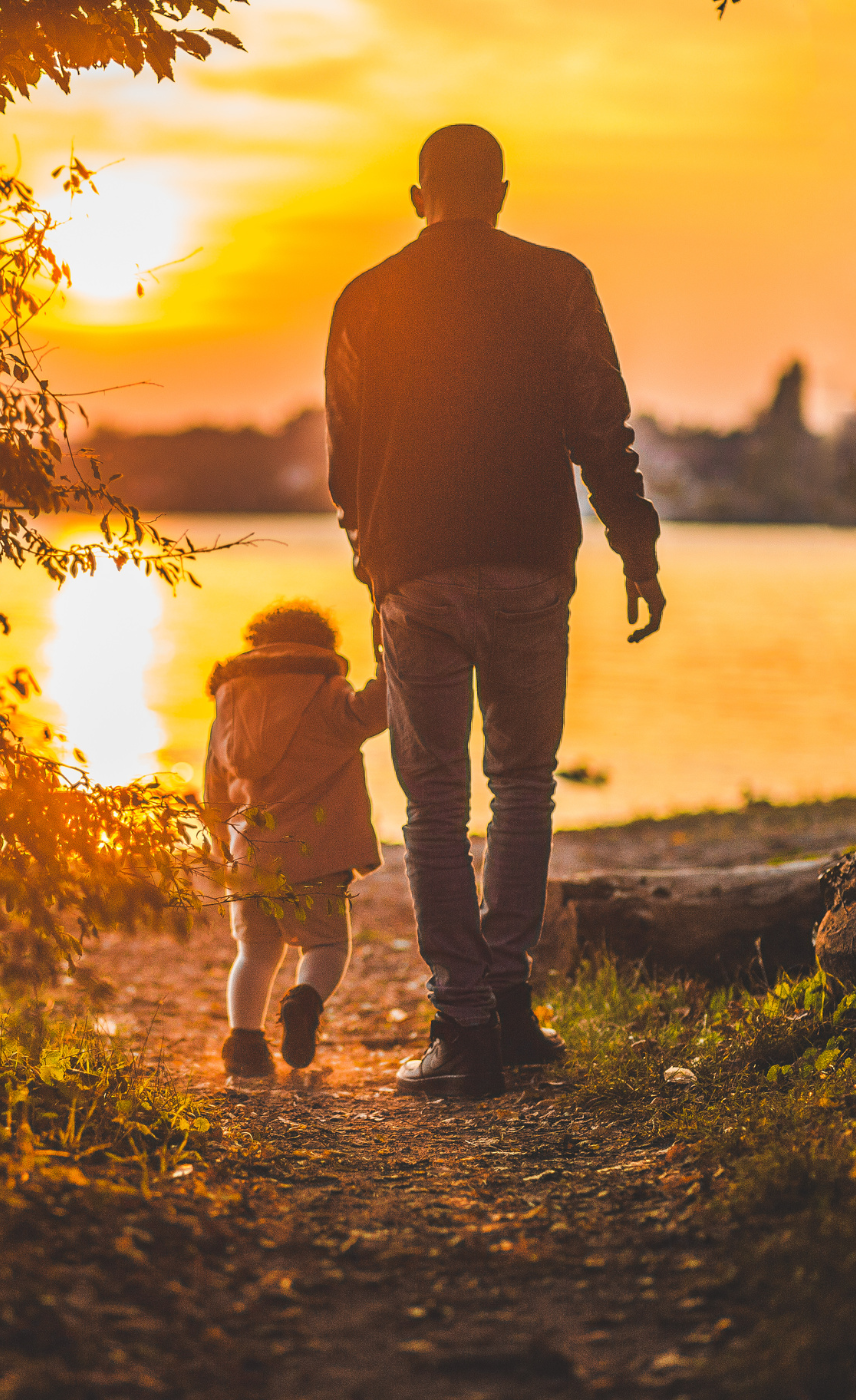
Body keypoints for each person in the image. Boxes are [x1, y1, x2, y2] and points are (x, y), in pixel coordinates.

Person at [325, 124, 665, 1099]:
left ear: (416, 194)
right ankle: (510, 1003)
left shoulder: (366, 296)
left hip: (416, 572)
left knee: (434, 802)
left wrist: (371, 557)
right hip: (528, 561)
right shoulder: (558, 281)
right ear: (503, 192)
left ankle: (464, 1024)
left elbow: (347, 453)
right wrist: (633, 545)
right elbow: (602, 423)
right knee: (524, 782)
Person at [205, 600, 387, 1077]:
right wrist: (390, 646)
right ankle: (305, 1000)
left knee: (255, 952)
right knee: (325, 947)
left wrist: (220, 847)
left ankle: (244, 1044)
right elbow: (379, 708)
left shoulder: (229, 701)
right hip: (318, 853)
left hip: (248, 855)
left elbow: (214, 787)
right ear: (321, 646)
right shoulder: (328, 693)